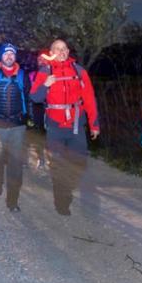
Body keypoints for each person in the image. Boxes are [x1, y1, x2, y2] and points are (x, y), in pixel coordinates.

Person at [30, 39, 100, 216]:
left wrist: (94, 123)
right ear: (51, 52)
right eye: (57, 49)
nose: (61, 52)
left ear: (68, 52)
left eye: (64, 49)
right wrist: (46, 84)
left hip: (76, 124)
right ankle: (62, 200)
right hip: (55, 127)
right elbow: (35, 98)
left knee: (79, 164)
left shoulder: (79, 71)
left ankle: (68, 186)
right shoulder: (45, 71)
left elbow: (90, 98)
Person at [0, 43, 28, 212]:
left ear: (15, 57)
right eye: (6, 53)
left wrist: (28, 120)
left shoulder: (23, 75)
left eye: (12, 54)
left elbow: (28, 98)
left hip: (17, 126)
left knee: (16, 163)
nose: (9, 56)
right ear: (1, 56)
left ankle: (12, 200)